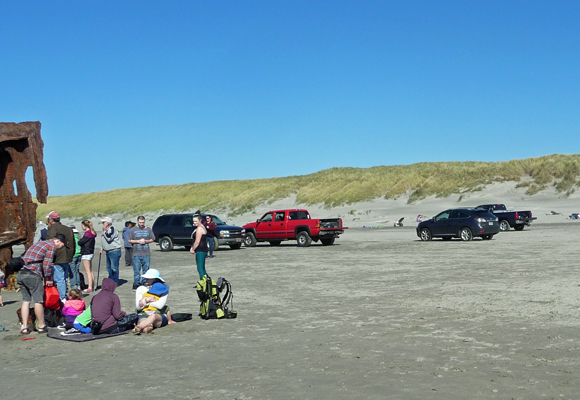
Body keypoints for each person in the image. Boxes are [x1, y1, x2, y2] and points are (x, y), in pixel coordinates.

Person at [17, 234, 66, 334]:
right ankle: (41, 326)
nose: (61, 247)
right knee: (38, 301)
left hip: (21, 273)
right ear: (57, 241)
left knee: (26, 300)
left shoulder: (39, 243)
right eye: (62, 244)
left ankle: (24, 327)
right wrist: (48, 278)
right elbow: (47, 265)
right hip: (33, 274)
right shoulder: (51, 246)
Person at [134, 269, 176, 334]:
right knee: (144, 320)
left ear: (155, 279)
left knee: (153, 316)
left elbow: (160, 305)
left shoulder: (163, 289)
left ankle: (138, 328)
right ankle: (146, 329)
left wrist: (145, 302)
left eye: (149, 278)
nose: (146, 279)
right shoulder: (140, 289)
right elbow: (138, 307)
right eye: (146, 277)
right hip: (143, 314)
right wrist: (147, 300)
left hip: (158, 314)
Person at [45, 211, 75, 302]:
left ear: (51, 220)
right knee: (65, 278)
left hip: (57, 257)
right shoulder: (67, 228)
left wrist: (50, 258)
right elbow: (73, 243)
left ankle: (62, 297)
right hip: (67, 256)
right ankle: (63, 294)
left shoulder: (52, 229)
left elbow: (50, 244)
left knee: (59, 279)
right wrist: (71, 254)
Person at [129, 216, 155, 290]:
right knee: (136, 270)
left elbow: (153, 239)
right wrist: (138, 241)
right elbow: (130, 240)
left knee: (146, 269)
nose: (141, 224)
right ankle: (136, 283)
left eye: (143, 222)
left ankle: (144, 282)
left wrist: (145, 241)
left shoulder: (148, 229)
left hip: (146, 253)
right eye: (140, 222)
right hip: (136, 253)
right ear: (137, 221)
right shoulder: (133, 230)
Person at [99, 217, 122, 284]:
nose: (103, 224)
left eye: (104, 222)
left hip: (114, 250)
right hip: (108, 251)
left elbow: (109, 238)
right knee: (109, 268)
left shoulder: (112, 229)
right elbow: (103, 240)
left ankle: (115, 281)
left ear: (107, 223)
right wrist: (101, 248)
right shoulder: (105, 230)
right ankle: (111, 280)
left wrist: (104, 231)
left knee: (114, 268)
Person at [78, 220, 97, 292]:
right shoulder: (92, 233)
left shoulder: (87, 234)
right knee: (90, 270)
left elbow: (80, 242)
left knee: (87, 271)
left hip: (86, 253)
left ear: (85, 226)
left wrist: (79, 241)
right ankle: (92, 285)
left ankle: (89, 287)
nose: (82, 227)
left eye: (82, 225)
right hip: (91, 252)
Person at [189, 211, 208, 279]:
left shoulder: (200, 228)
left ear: (200, 220)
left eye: (196, 221)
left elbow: (197, 241)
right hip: (202, 250)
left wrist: (192, 249)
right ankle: (206, 283)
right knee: (202, 268)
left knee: (200, 268)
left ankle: (204, 285)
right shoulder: (202, 227)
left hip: (201, 250)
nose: (194, 223)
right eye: (193, 221)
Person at [68, 225, 82, 290]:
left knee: (72, 272)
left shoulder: (70, 237)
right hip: (79, 254)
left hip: (73, 255)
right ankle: (78, 285)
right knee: (76, 271)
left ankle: (73, 286)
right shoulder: (79, 235)